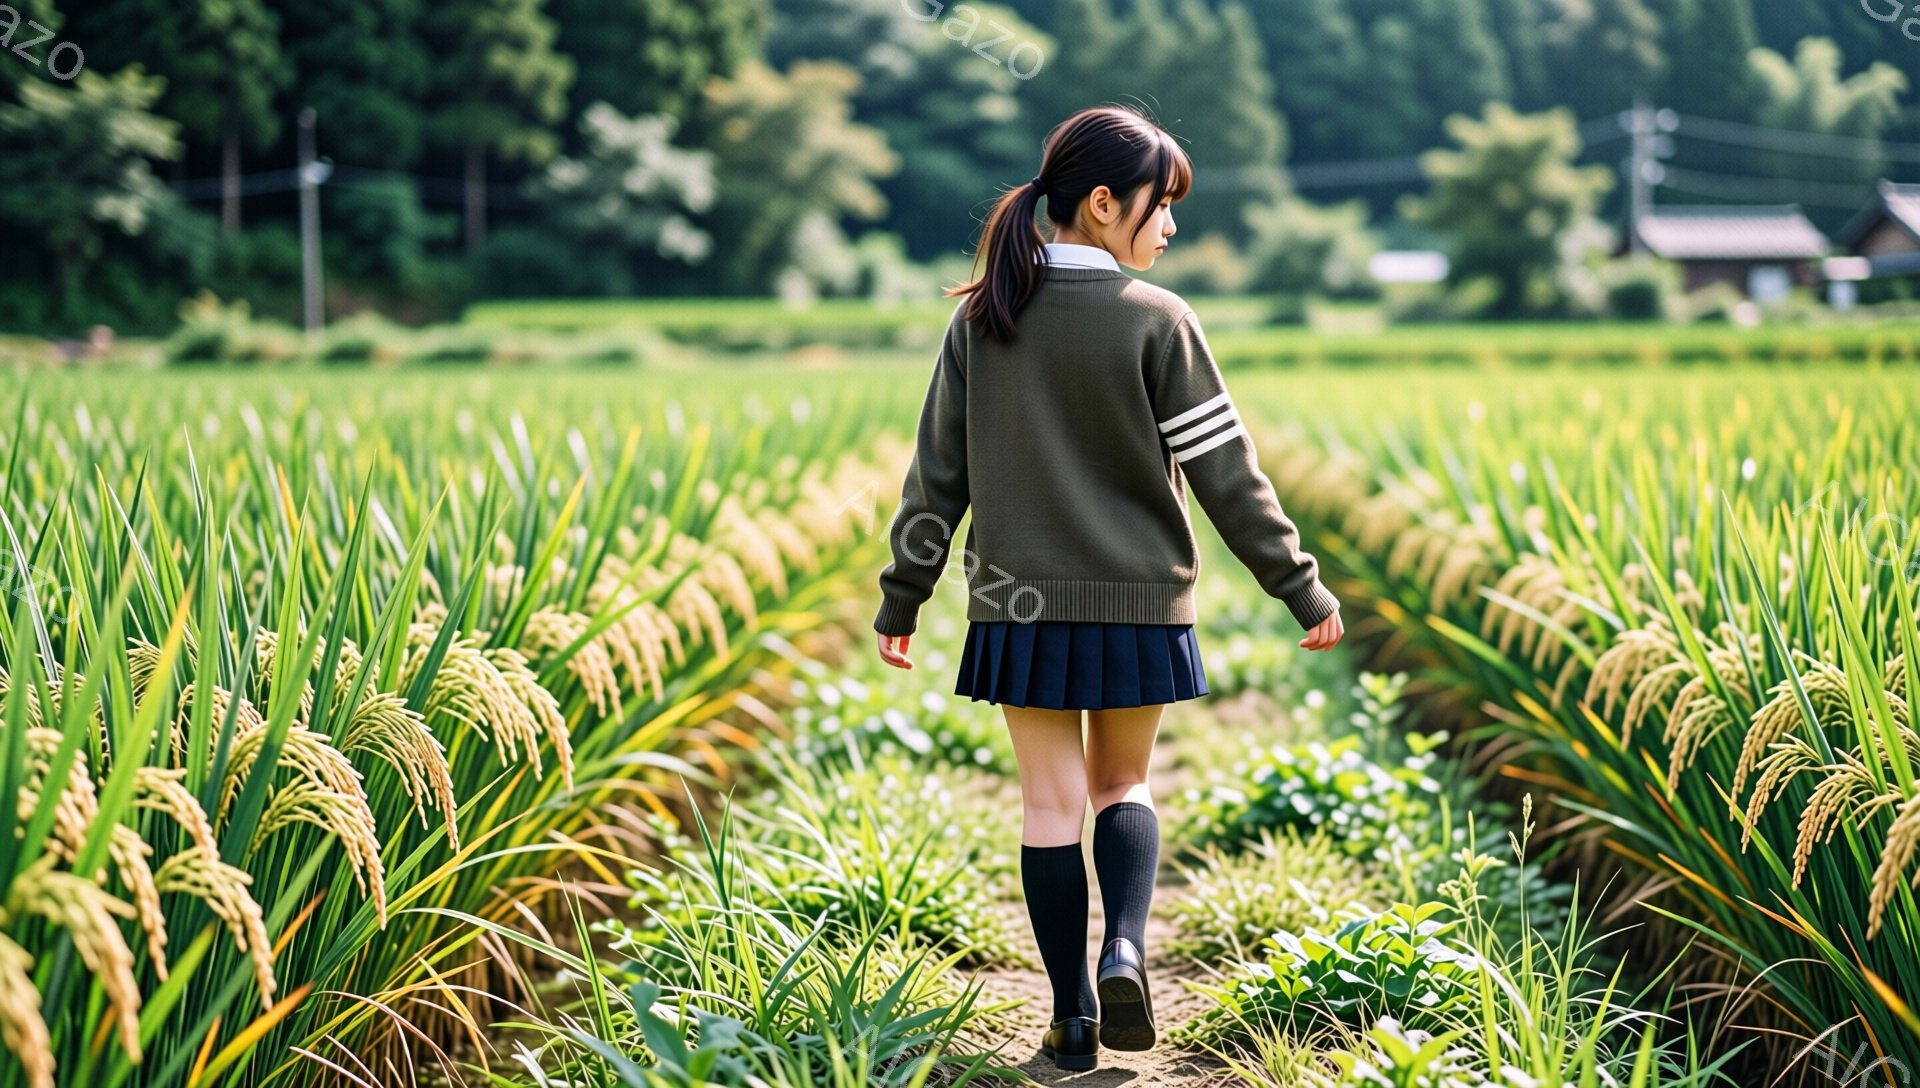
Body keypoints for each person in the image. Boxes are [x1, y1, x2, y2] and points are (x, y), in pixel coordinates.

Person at [870, 104, 1344, 1071]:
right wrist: (1301, 587)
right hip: (1142, 604)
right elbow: (1227, 473)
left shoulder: (983, 319)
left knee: (1050, 807)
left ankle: (1072, 1015)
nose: (1169, 226)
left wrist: (902, 596)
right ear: (1099, 203)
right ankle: (1126, 946)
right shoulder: (1159, 321)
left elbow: (937, 480)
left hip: (1018, 608)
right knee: (1124, 785)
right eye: (1160, 205)